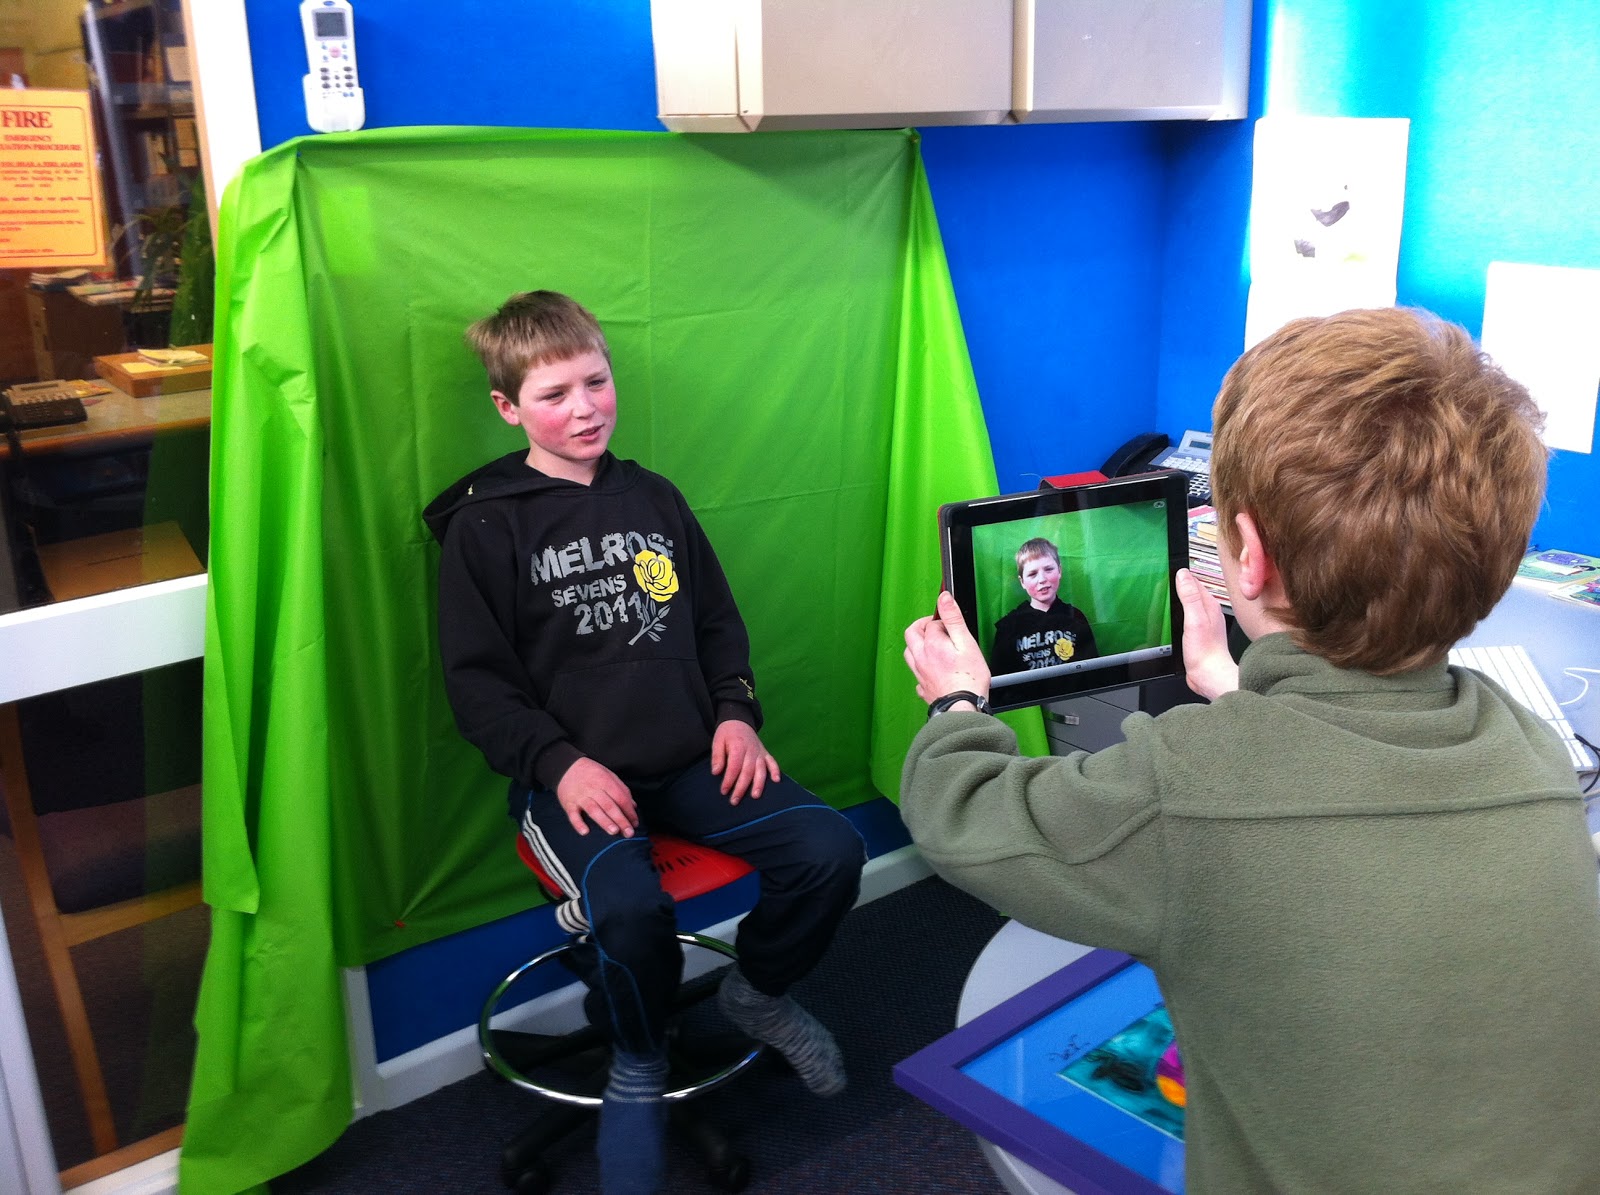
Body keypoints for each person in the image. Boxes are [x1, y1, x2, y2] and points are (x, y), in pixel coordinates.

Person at [900, 307, 1600, 1192]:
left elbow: (961, 810)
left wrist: (957, 698)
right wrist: (1233, 686)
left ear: (1251, 558)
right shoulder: (1531, 749)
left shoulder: (1188, 784)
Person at [424, 290, 863, 1195]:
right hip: (571, 780)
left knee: (829, 849)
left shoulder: (654, 497)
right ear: (508, 408)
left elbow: (715, 623)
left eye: (596, 381)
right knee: (629, 909)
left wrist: (735, 714)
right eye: (554, 394)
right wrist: (561, 764)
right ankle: (636, 1054)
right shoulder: (486, 524)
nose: (584, 408)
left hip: (689, 757)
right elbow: (478, 687)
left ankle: (757, 994)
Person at [988, 536, 1099, 674]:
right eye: (1032, 574)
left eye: (1048, 569)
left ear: (1059, 571)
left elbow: (1092, 671)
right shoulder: (1008, 627)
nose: (1042, 579)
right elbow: (1001, 677)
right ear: (1022, 582)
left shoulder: (1076, 617)